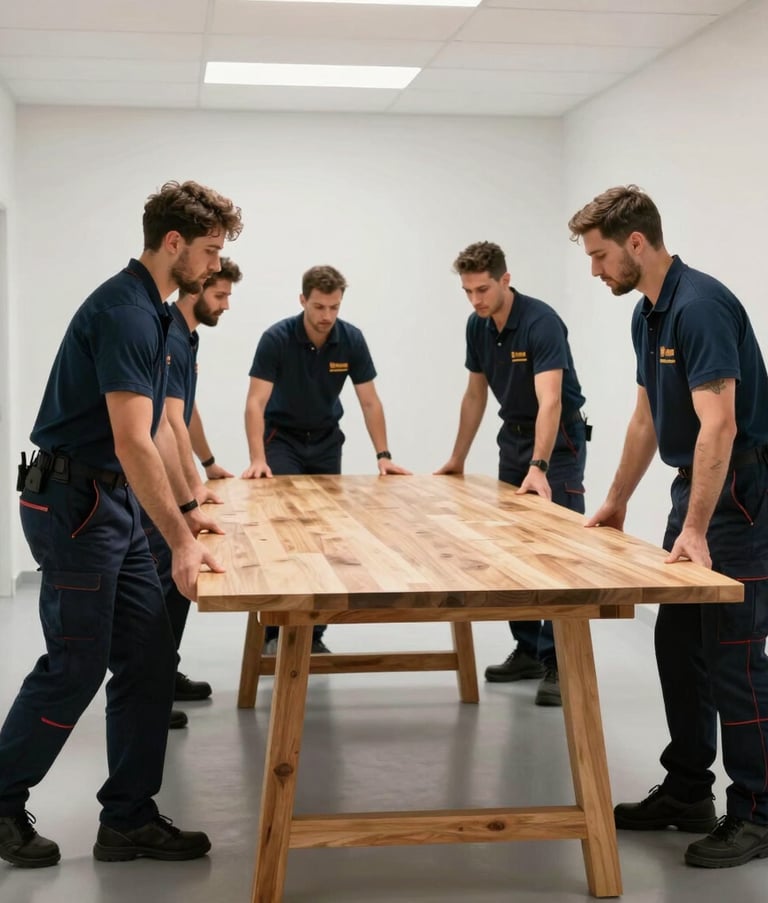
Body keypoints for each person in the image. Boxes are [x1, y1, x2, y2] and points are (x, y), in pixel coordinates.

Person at [0, 180, 242, 869]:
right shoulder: (126, 312)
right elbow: (133, 439)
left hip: (113, 502)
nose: (214, 266)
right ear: (174, 244)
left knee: (148, 655)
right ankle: (1, 798)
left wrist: (190, 517)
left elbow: (166, 430)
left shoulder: (159, 314)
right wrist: (180, 543)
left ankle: (129, 816)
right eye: (209, 252)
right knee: (76, 665)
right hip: (73, 503)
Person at [568, 184, 768, 868]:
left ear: (635, 243)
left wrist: (699, 527)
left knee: (735, 657)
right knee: (678, 641)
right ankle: (689, 790)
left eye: (599, 258)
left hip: (741, 491)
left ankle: (759, 811)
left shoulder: (701, 306)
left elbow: (722, 424)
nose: (595, 272)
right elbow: (649, 418)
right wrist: (619, 499)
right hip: (702, 488)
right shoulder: (648, 315)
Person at [436, 241, 588, 707]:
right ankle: (527, 648)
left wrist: (540, 467)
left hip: (557, 441)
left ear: (505, 279)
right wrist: (457, 458)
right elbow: (475, 395)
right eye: (467, 291)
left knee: (556, 552)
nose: (476, 300)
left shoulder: (541, 322)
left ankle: (560, 663)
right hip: (512, 437)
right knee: (513, 549)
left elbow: (552, 401)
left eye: (483, 289)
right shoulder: (477, 325)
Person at [242, 264, 409, 654]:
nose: (326, 316)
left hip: (325, 441)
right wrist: (257, 458)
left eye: (333, 307)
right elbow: (255, 402)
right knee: (286, 530)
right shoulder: (276, 338)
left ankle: (313, 635)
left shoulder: (351, 340)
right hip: (280, 439)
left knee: (321, 534)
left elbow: (369, 400)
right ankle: (274, 631)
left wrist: (383, 456)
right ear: (303, 301)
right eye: (318, 306)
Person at [143, 257, 243, 729]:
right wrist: (190, 493)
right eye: (219, 295)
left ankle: (164, 672)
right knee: (167, 588)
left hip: (177, 477)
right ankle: (150, 690)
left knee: (178, 587)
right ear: (196, 290)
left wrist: (207, 464)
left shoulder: (186, 337)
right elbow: (168, 425)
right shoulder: (170, 336)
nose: (225, 304)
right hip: (157, 484)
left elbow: (187, 414)